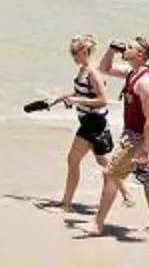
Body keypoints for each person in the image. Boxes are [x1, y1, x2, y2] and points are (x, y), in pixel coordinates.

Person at [81, 34, 149, 237]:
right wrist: (111, 50)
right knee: (146, 177)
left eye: (130, 48)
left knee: (110, 174)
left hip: (136, 137)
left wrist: (144, 151)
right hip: (130, 134)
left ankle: (97, 224)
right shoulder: (131, 73)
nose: (125, 49)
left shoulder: (146, 82)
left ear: (140, 54)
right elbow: (105, 69)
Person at [44, 35, 116, 211]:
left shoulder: (92, 72)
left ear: (84, 51)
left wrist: (76, 101)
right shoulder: (83, 70)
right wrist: (56, 100)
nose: (72, 56)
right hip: (89, 121)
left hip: (93, 122)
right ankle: (123, 193)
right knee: (103, 162)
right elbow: (79, 92)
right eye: (71, 52)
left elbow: (103, 99)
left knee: (72, 159)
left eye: (74, 52)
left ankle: (66, 204)